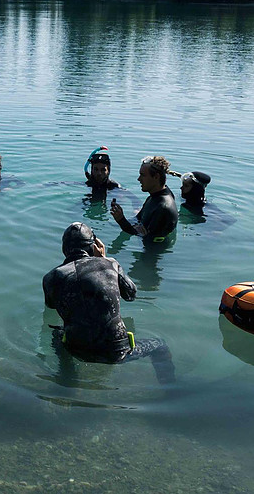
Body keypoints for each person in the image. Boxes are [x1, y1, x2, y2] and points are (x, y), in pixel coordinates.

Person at [43, 222, 174, 382]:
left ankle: (68, 376)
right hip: (117, 352)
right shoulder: (110, 264)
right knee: (158, 344)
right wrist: (104, 259)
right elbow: (131, 295)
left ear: (64, 249)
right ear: (93, 247)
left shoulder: (51, 277)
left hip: (76, 350)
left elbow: (51, 307)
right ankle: (169, 386)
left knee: (57, 334)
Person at [110, 155, 178, 243]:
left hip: (153, 252)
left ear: (156, 177)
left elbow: (147, 239)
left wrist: (121, 220)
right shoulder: (155, 196)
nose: (139, 179)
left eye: (143, 175)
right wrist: (119, 218)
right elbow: (138, 220)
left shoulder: (163, 207)